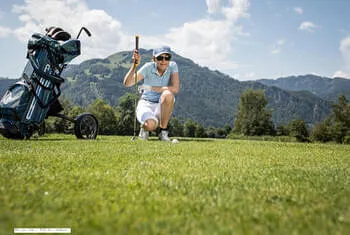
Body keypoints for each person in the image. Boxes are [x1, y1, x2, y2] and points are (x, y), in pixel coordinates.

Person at [123, 46, 180, 141]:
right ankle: (144, 129)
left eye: (167, 58)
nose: (164, 61)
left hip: (160, 104)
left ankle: (163, 132)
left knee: (168, 95)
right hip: (146, 103)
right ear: (154, 59)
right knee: (150, 125)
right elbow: (127, 83)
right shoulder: (148, 67)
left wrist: (151, 88)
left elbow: (175, 89)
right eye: (160, 58)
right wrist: (134, 65)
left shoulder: (173, 66)